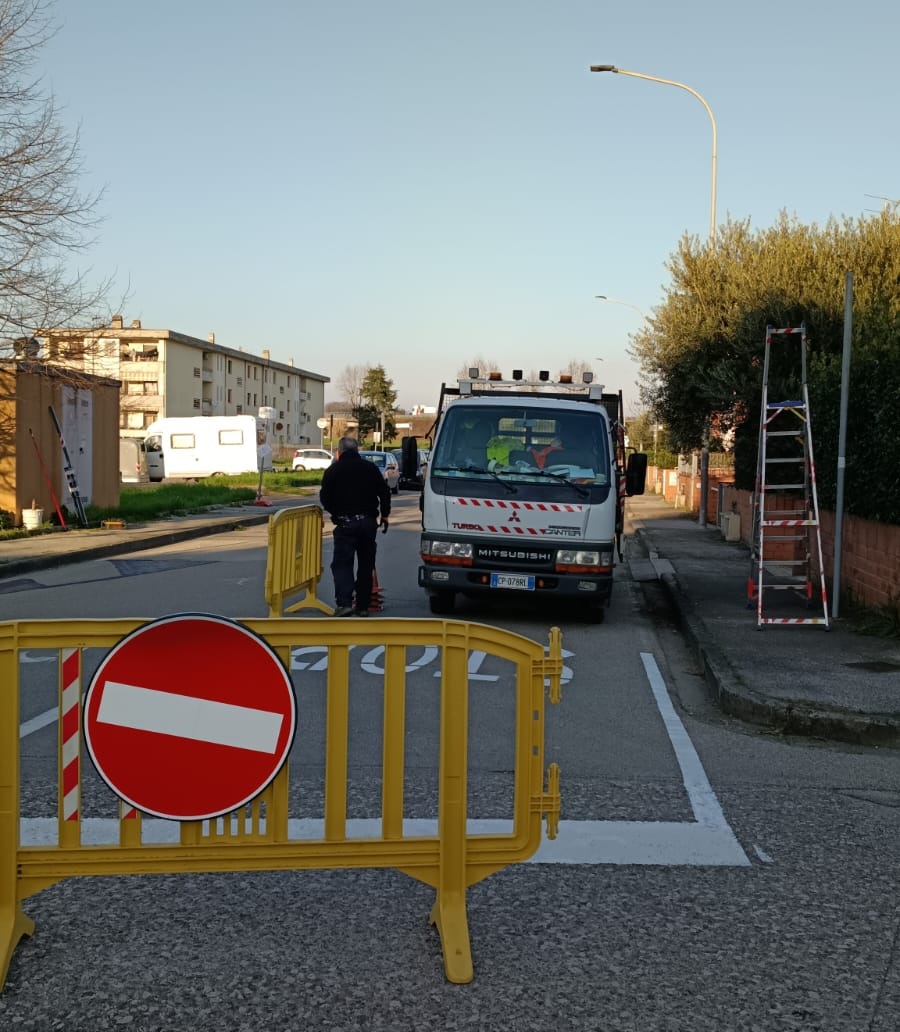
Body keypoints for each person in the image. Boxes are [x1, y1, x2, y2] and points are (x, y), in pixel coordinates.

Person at [319, 436, 391, 616]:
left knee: (343, 564)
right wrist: (385, 515)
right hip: (368, 523)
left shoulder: (333, 471)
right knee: (366, 564)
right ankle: (363, 606)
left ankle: (344, 604)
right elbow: (384, 492)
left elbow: (325, 497)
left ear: (338, 452)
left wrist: (335, 513)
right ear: (357, 450)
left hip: (345, 523)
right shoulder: (370, 468)